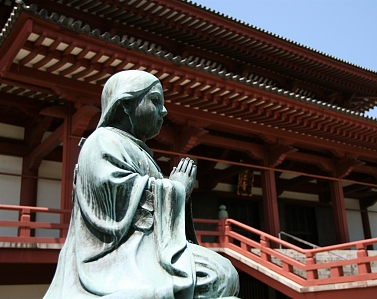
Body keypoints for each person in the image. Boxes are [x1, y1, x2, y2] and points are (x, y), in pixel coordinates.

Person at [44, 70, 239, 299]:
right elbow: (115, 195)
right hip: (116, 254)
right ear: (125, 104)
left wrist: (172, 192)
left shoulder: (139, 151)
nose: (164, 111)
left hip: (147, 247)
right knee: (216, 275)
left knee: (225, 274)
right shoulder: (102, 140)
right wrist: (175, 188)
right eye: (155, 101)